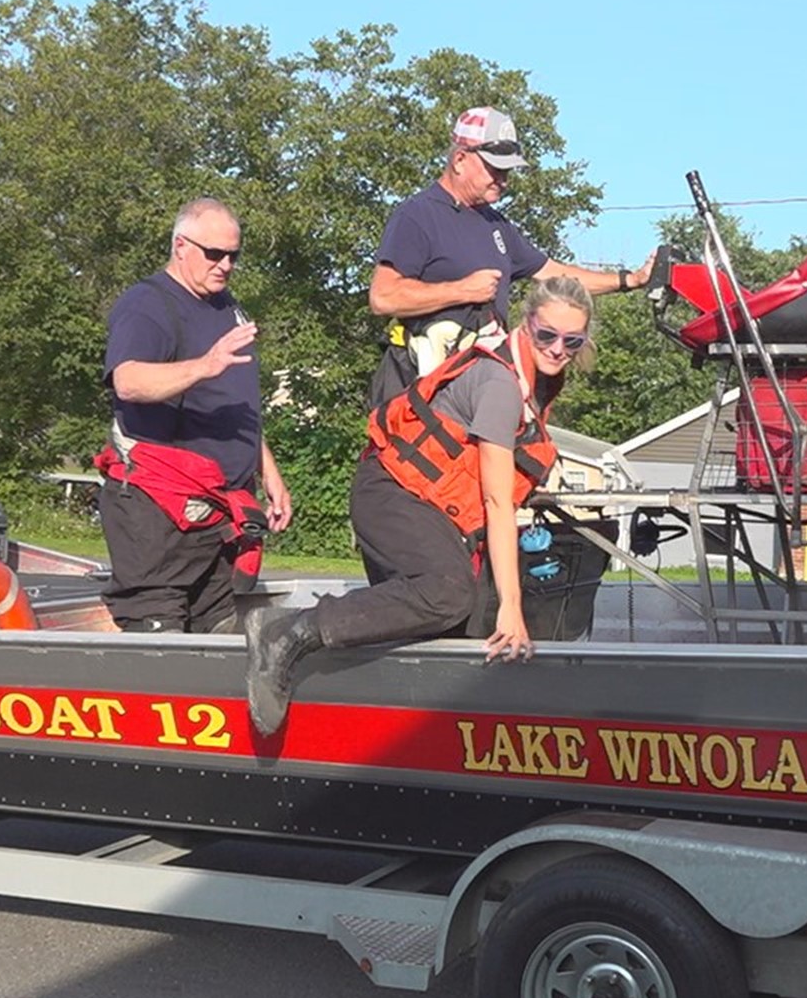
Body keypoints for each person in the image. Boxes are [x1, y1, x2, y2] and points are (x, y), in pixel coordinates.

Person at [244, 277, 595, 734]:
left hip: (435, 512)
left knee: (470, 618)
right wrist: (512, 604)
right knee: (448, 593)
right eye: (547, 334)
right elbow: (495, 498)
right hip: (391, 493)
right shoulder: (500, 385)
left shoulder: (537, 387)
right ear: (527, 325)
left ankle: (429, 733)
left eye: (572, 340)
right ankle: (285, 632)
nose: (558, 348)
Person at [93, 197, 292, 634]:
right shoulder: (148, 304)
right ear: (180, 245)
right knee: (161, 649)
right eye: (214, 254)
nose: (225, 265)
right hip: (160, 514)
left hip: (221, 515)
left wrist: (269, 473)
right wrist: (205, 365)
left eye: (233, 256)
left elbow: (235, 404)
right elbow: (128, 380)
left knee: (217, 638)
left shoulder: (227, 307)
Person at [365, 106, 654, 405]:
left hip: (474, 394)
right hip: (417, 398)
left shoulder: (497, 225)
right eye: (495, 168)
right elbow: (383, 297)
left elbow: (552, 273)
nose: (503, 179)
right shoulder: (417, 215)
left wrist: (630, 279)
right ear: (460, 160)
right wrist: (462, 290)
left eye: (507, 170)